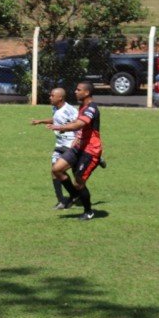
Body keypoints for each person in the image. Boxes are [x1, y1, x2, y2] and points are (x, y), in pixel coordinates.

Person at [48, 82, 104, 221]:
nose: (75, 91)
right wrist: (77, 137)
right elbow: (80, 127)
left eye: (78, 90)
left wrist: (60, 127)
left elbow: (80, 124)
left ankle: (88, 211)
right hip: (79, 147)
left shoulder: (91, 108)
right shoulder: (82, 106)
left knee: (79, 182)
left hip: (90, 150)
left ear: (87, 93)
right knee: (57, 169)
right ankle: (74, 195)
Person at [31, 88, 78, 209]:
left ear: (60, 98)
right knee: (54, 171)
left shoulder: (70, 110)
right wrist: (41, 121)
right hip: (59, 145)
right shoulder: (55, 108)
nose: (50, 97)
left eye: (52, 96)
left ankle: (75, 195)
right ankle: (61, 200)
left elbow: (80, 124)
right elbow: (56, 119)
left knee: (75, 174)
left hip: (70, 145)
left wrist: (68, 132)